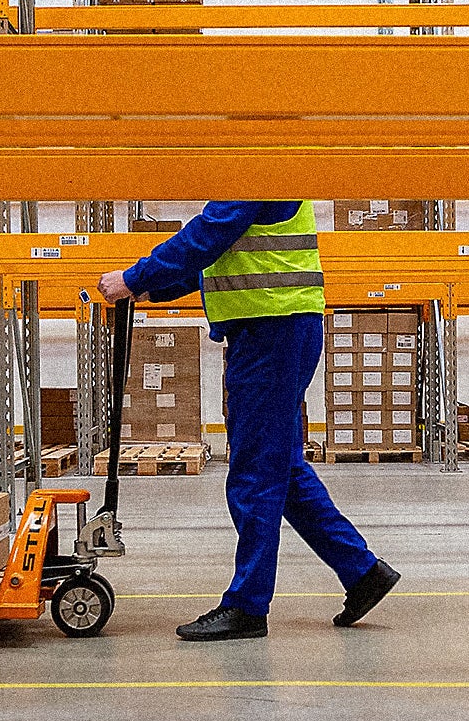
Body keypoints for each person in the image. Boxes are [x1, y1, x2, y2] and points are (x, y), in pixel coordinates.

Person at [100, 201, 400, 641]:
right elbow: (220, 255)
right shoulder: (259, 165)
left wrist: (135, 277)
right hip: (273, 326)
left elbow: (207, 234)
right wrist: (152, 288)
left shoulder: (257, 162)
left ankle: (247, 606)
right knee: (282, 467)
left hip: (271, 328)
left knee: (255, 471)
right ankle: (362, 572)